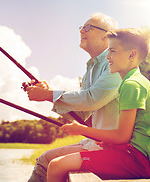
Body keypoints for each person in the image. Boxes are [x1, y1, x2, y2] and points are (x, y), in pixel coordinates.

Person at [46, 28, 150, 181]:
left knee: (57, 165)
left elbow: (121, 137)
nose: (108, 57)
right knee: (60, 163)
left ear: (132, 54)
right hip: (139, 158)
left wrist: (82, 130)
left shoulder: (132, 84)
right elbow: (127, 135)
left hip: (138, 161)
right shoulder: (135, 81)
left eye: (112, 51)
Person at [25, 13, 122, 182]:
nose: (81, 31)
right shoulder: (90, 69)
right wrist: (49, 95)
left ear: (106, 36)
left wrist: (50, 95)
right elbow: (82, 114)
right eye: (81, 28)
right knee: (44, 160)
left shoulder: (115, 62)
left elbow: (93, 98)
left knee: (46, 161)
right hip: (97, 142)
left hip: (112, 145)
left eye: (88, 28)